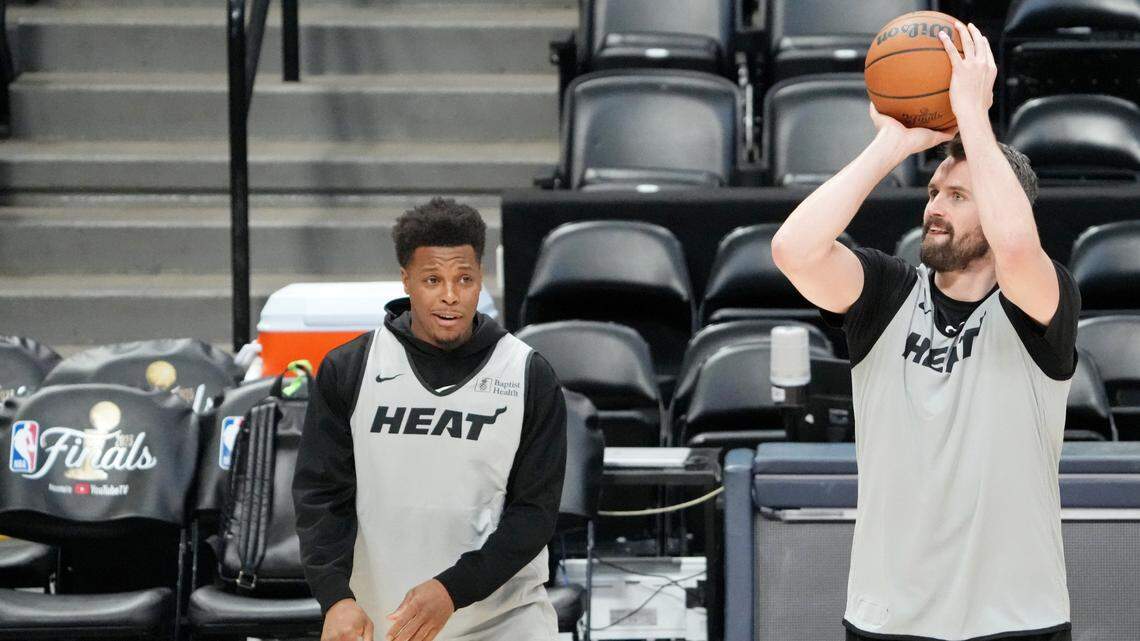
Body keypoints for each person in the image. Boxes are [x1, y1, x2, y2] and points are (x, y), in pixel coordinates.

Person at [771, 22, 1078, 641]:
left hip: (1016, 620)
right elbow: (794, 250)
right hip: (888, 617)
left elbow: (1017, 248)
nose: (934, 204)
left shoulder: (1040, 301)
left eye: (959, 195)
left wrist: (973, 116)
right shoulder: (886, 293)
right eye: (934, 191)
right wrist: (889, 147)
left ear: (996, 207)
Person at [293, 197, 567, 641]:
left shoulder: (528, 373)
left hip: (504, 623)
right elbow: (321, 496)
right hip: (388, 623)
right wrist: (335, 597)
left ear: (481, 280)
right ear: (406, 281)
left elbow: (534, 514)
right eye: (432, 280)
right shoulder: (350, 368)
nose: (450, 295)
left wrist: (452, 589)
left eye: (464, 279)